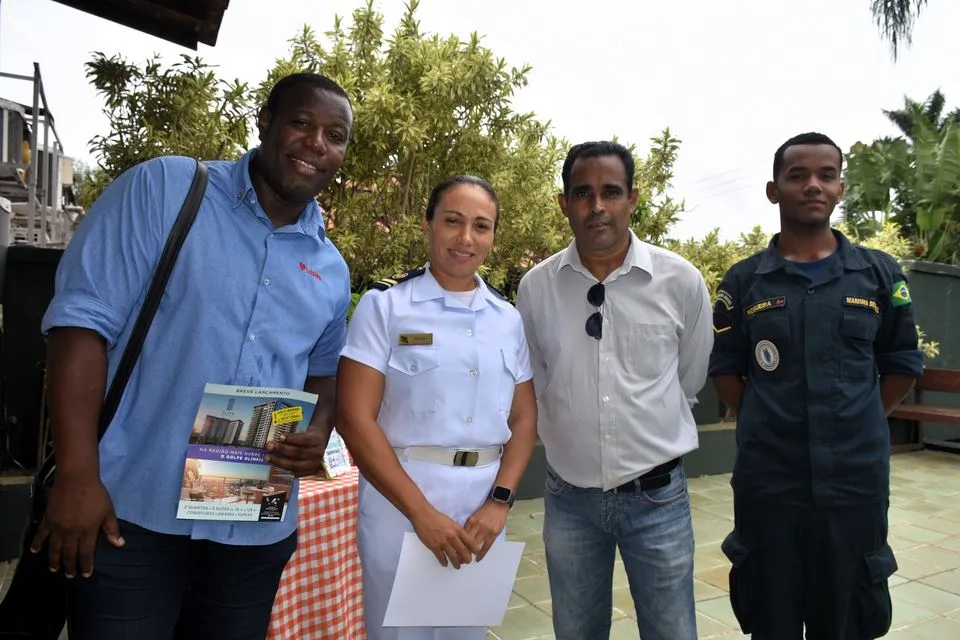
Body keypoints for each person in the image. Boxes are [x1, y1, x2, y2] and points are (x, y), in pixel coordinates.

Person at [34, 72, 354, 639]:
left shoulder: (329, 268)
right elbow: (80, 325)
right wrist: (78, 475)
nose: (316, 144)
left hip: (251, 524)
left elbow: (323, 375)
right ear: (265, 123)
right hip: (130, 513)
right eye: (302, 123)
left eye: (335, 135)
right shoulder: (168, 189)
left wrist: (318, 429)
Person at [709, 132, 924, 639]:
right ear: (773, 190)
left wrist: (859, 418)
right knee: (772, 618)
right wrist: (767, 421)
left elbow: (900, 364)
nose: (813, 185)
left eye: (826, 175)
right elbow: (726, 370)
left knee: (846, 620)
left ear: (840, 188)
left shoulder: (879, 274)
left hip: (853, 486)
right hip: (769, 486)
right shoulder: (743, 282)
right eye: (797, 175)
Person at [515, 140, 713, 640]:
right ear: (564, 203)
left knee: (672, 632)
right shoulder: (536, 288)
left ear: (633, 199)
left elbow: (689, 377)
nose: (597, 206)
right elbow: (536, 379)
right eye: (583, 193)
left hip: (658, 501)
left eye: (611, 192)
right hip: (569, 501)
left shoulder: (680, 281)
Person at [335, 175, 539, 640]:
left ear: (492, 237)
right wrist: (421, 514)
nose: (466, 237)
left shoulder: (507, 319)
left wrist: (500, 502)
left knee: (464, 634)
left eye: (481, 226)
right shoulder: (386, 307)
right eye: (452, 221)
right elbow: (354, 418)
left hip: (482, 515)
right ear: (428, 225)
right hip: (400, 508)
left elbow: (524, 418)